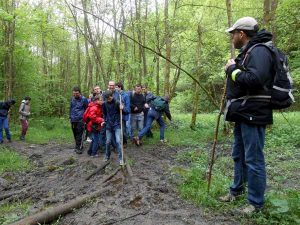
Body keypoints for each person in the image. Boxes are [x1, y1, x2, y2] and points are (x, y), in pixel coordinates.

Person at [220, 17, 275, 214]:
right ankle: (236, 191)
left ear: (241, 34)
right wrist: (234, 68)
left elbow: (255, 79)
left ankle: (256, 203)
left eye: (233, 34)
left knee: (253, 159)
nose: (232, 37)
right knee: (239, 155)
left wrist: (232, 69)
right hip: (244, 113)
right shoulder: (249, 52)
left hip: (254, 113)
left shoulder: (259, 50)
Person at [102, 90, 124, 165]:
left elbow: (125, 112)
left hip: (117, 124)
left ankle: (121, 158)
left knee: (118, 141)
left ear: (112, 96)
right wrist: (104, 120)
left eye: (109, 98)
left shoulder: (118, 102)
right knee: (108, 141)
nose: (108, 100)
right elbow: (104, 113)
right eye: (106, 98)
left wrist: (122, 108)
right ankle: (107, 156)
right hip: (108, 125)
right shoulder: (104, 104)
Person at [69, 86, 88, 154]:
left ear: (80, 93)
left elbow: (87, 109)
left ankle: (79, 148)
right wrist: (70, 117)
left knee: (80, 134)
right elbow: (71, 108)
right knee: (75, 133)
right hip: (73, 119)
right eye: (74, 93)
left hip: (81, 120)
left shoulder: (84, 99)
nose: (75, 95)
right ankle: (77, 146)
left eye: (76, 93)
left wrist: (85, 120)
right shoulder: (72, 99)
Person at [116, 82, 130, 147]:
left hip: (123, 116)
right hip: (115, 116)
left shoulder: (126, 95)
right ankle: (117, 143)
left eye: (116, 87)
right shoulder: (115, 95)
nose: (115, 88)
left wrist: (123, 107)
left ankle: (124, 142)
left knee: (123, 130)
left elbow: (128, 109)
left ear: (120, 87)